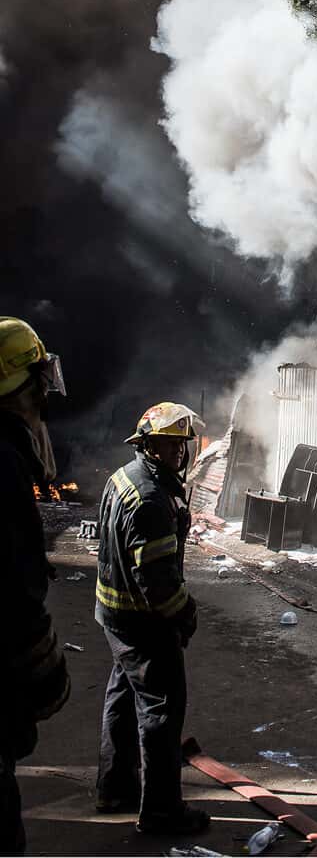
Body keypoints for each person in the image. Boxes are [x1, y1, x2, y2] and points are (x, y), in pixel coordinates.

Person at [94, 401, 209, 837]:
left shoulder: (123, 478)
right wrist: (184, 613)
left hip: (115, 616)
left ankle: (115, 789)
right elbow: (157, 582)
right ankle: (161, 813)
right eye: (173, 445)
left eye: (182, 446)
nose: (181, 454)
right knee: (162, 711)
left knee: (122, 700)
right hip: (144, 623)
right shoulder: (151, 499)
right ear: (152, 446)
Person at [0, 318, 70, 856]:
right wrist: (39, 671)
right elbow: (14, 591)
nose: (44, 396)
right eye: (38, 383)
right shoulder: (1, 467)